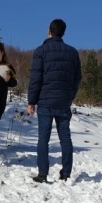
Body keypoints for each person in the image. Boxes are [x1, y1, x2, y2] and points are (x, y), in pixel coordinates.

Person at [27, 19, 82, 183]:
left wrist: (32, 101)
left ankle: (42, 174)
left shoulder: (41, 51)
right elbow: (77, 77)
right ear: (63, 33)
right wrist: (70, 95)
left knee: (43, 138)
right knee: (65, 138)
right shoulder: (72, 52)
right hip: (64, 101)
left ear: (48, 31)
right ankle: (66, 173)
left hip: (45, 101)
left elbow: (36, 78)